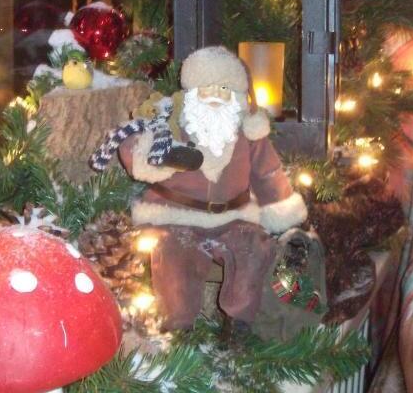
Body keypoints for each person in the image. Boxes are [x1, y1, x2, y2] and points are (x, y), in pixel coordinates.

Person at [119, 46, 307, 331]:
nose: (216, 95)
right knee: (172, 253)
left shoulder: (248, 133)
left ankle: (241, 322)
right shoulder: (170, 123)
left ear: (238, 96)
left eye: (224, 89)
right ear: (192, 92)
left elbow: (268, 172)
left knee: (254, 249)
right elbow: (133, 146)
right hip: (174, 215)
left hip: (235, 215)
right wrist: (153, 157)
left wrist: (281, 207)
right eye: (207, 88)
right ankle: (178, 327)